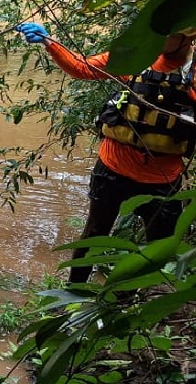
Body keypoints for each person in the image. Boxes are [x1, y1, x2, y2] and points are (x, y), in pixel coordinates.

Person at [17, 23, 196, 283]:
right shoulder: (136, 58)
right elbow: (82, 67)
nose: (155, 37)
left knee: (159, 246)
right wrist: (49, 42)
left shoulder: (192, 74)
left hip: (162, 178)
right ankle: (73, 293)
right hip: (113, 168)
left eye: (165, 33)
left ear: (185, 39)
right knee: (93, 233)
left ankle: (128, 299)